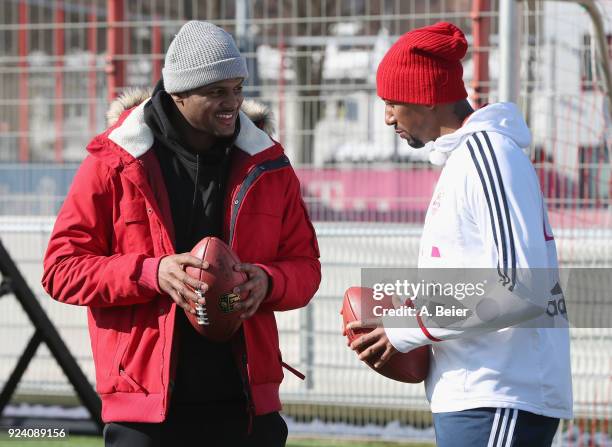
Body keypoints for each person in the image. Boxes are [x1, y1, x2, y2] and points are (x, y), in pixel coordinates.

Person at [42, 20, 320, 447]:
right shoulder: (114, 161)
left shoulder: (269, 165)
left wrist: (269, 281)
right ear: (179, 94)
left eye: (238, 88)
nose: (234, 103)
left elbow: (305, 267)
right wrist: (152, 273)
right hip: (145, 411)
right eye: (217, 92)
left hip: (246, 408)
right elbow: (61, 269)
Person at [347, 22, 572, 447]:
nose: (388, 116)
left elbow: (521, 288)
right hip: (479, 394)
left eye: (393, 101)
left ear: (425, 96)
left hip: (500, 394)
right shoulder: (466, 159)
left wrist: (405, 326)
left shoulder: (488, 155)